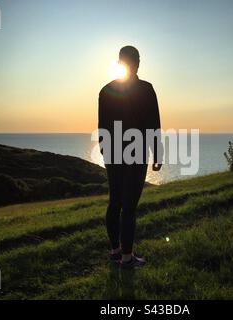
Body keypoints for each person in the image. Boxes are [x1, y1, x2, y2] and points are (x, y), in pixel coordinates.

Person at [98, 45, 163, 269]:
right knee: (128, 206)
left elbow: (102, 127)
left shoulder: (105, 90)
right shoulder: (146, 89)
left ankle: (116, 251)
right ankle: (127, 258)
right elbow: (153, 124)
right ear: (136, 62)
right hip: (135, 151)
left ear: (119, 62)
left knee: (115, 202)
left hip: (114, 152)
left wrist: (105, 150)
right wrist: (158, 151)